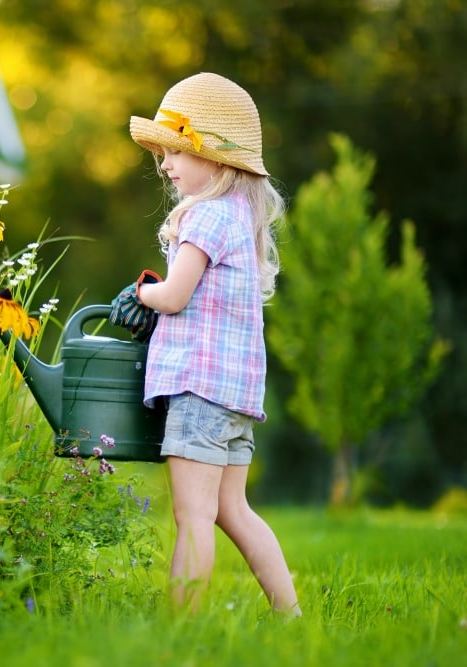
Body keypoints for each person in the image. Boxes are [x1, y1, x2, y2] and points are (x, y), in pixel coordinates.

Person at [115, 72, 301, 616]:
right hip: (236, 395)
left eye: (176, 152)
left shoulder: (204, 217)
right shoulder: (239, 217)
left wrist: (140, 293)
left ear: (215, 158)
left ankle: (183, 627)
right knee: (233, 510)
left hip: (199, 391)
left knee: (192, 516)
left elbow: (173, 296)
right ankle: (290, 616)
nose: (166, 165)